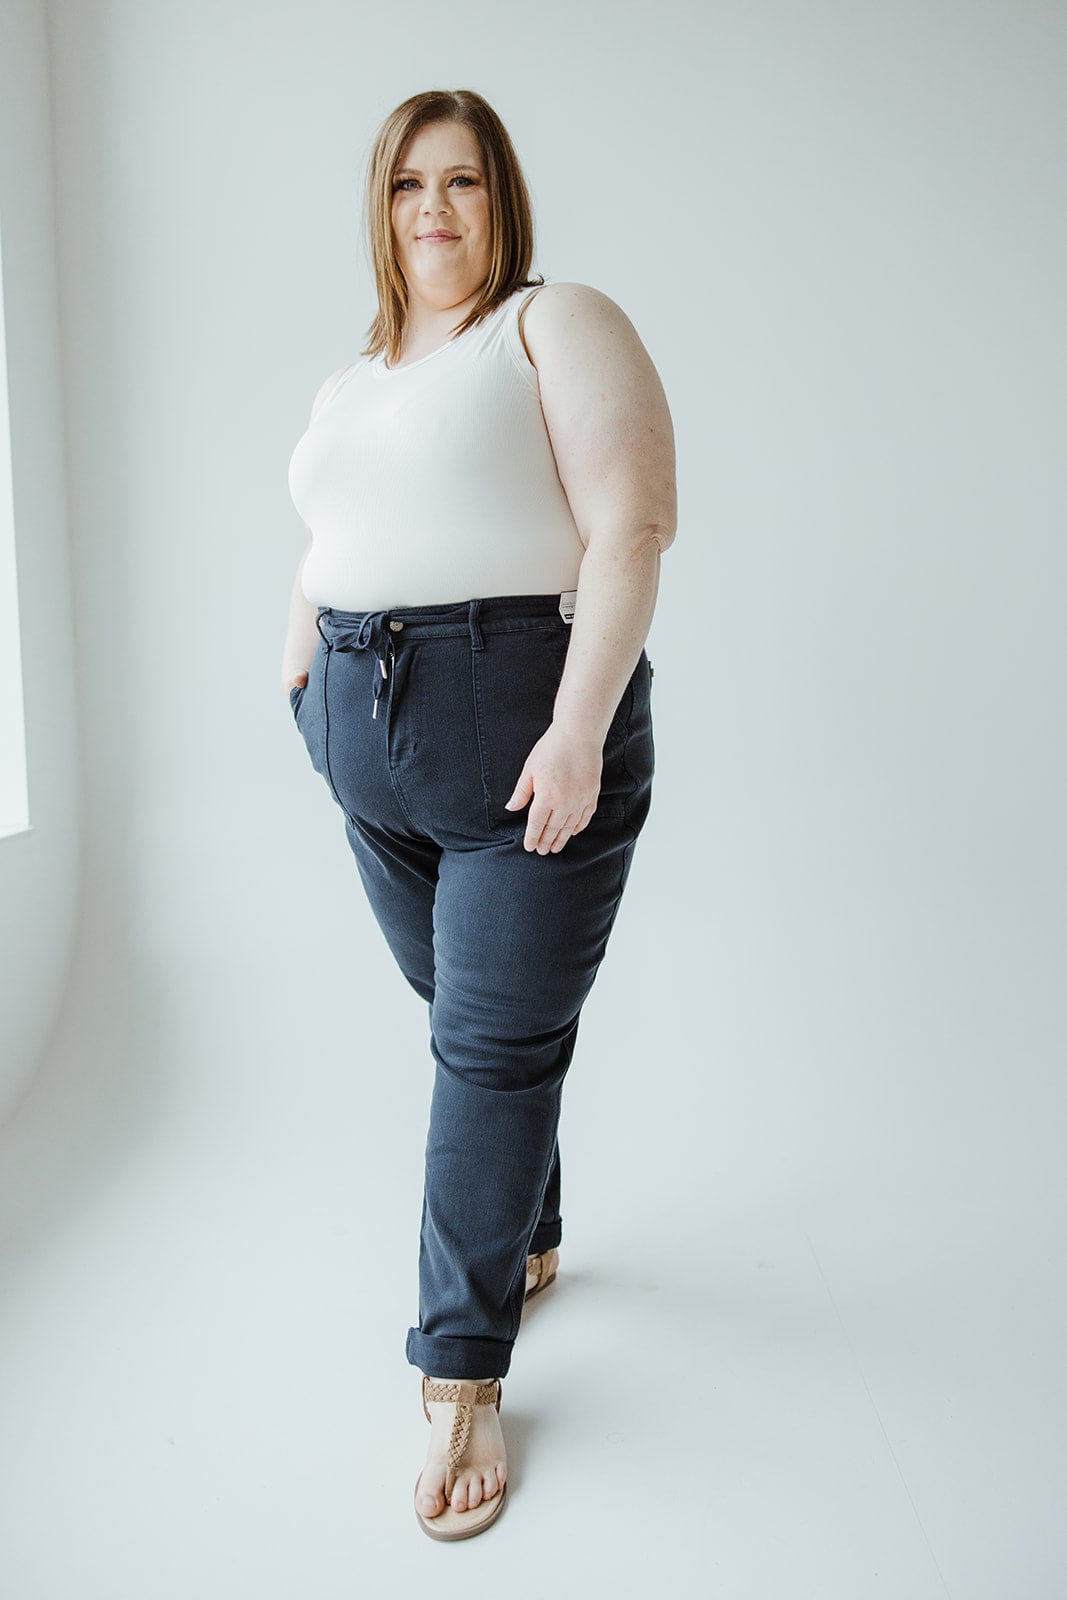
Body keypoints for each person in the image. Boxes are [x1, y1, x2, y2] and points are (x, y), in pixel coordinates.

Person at [281, 88, 676, 1541]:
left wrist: (578, 731)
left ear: (499, 199)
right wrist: (298, 675)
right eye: (406, 186)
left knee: (491, 1044)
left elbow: (633, 522)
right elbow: (331, 533)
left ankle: (461, 1377)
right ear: (380, 212)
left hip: (528, 747)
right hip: (368, 749)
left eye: (460, 182)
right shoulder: (356, 379)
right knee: (463, 1008)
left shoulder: (549, 323)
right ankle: (535, 1232)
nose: (433, 209)